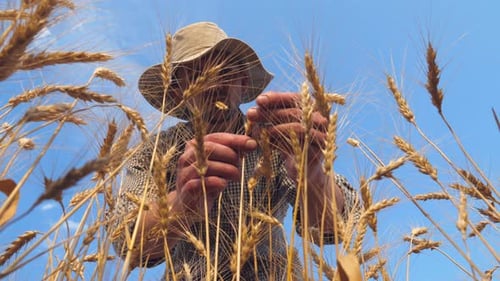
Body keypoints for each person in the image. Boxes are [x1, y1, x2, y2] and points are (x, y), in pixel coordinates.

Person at [108, 21, 360, 280]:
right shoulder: (157, 151)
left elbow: (341, 224)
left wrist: (312, 173)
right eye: (197, 73)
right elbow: (127, 241)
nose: (214, 83)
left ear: (243, 81)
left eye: (226, 71)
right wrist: (184, 202)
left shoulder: (276, 139)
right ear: (177, 92)